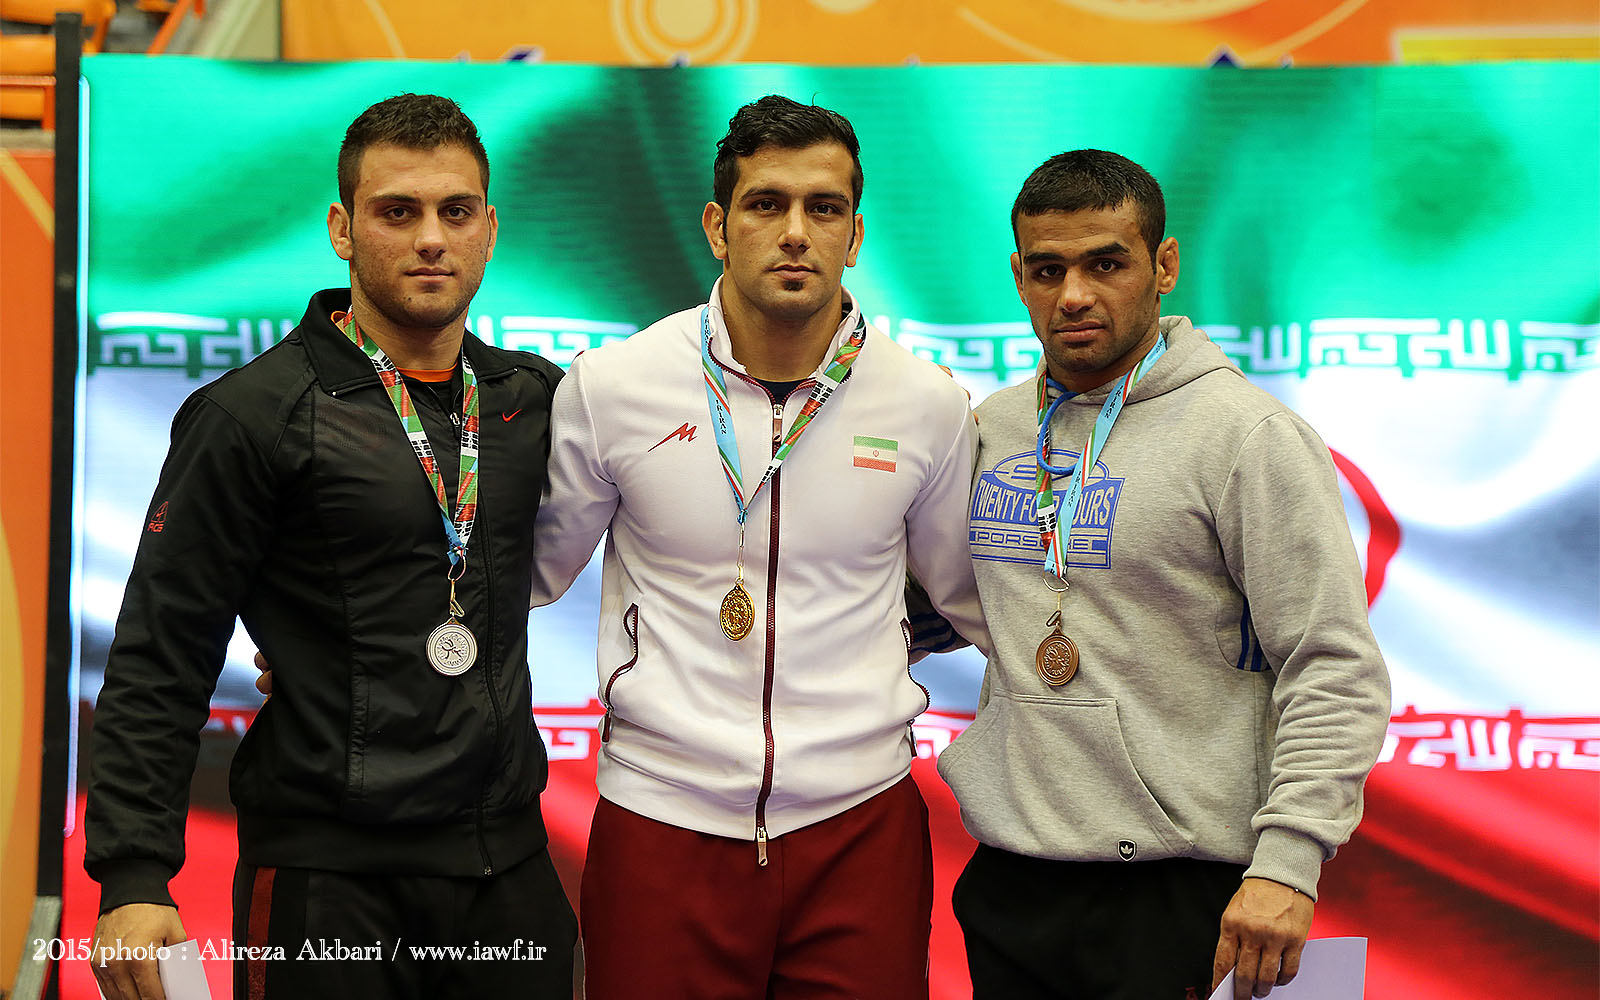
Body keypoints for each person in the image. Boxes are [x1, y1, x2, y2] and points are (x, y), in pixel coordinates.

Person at [84, 93, 576, 1000]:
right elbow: (162, 650)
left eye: (455, 211)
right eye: (397, 212)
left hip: (507, 867)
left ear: (489, 229)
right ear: (343, 230)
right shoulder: (251, 416)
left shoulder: (537, 400)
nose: (430, 239)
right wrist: (134, 875)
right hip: (330, 880)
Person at [528, 94, 988, 1000]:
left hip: (860, 823)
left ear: (855, 233)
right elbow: (521, 577)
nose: (796, 233)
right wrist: (341, 646)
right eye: (766, 204)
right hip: (661, 814)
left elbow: (970, 598)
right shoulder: (615, 386)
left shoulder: (926, 403)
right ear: (718, 226)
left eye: (825, 208)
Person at [935, 150, 1391, 1000]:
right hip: (1011, 878)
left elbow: (1332, 666)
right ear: (1020, 276)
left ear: (1165, 265)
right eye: (1048, 270)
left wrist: (1288, 865)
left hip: (1182, 887)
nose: (1074, 295)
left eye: (1106, 264)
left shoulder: (1245, 435)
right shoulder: (989, 429)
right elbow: (937, 606)